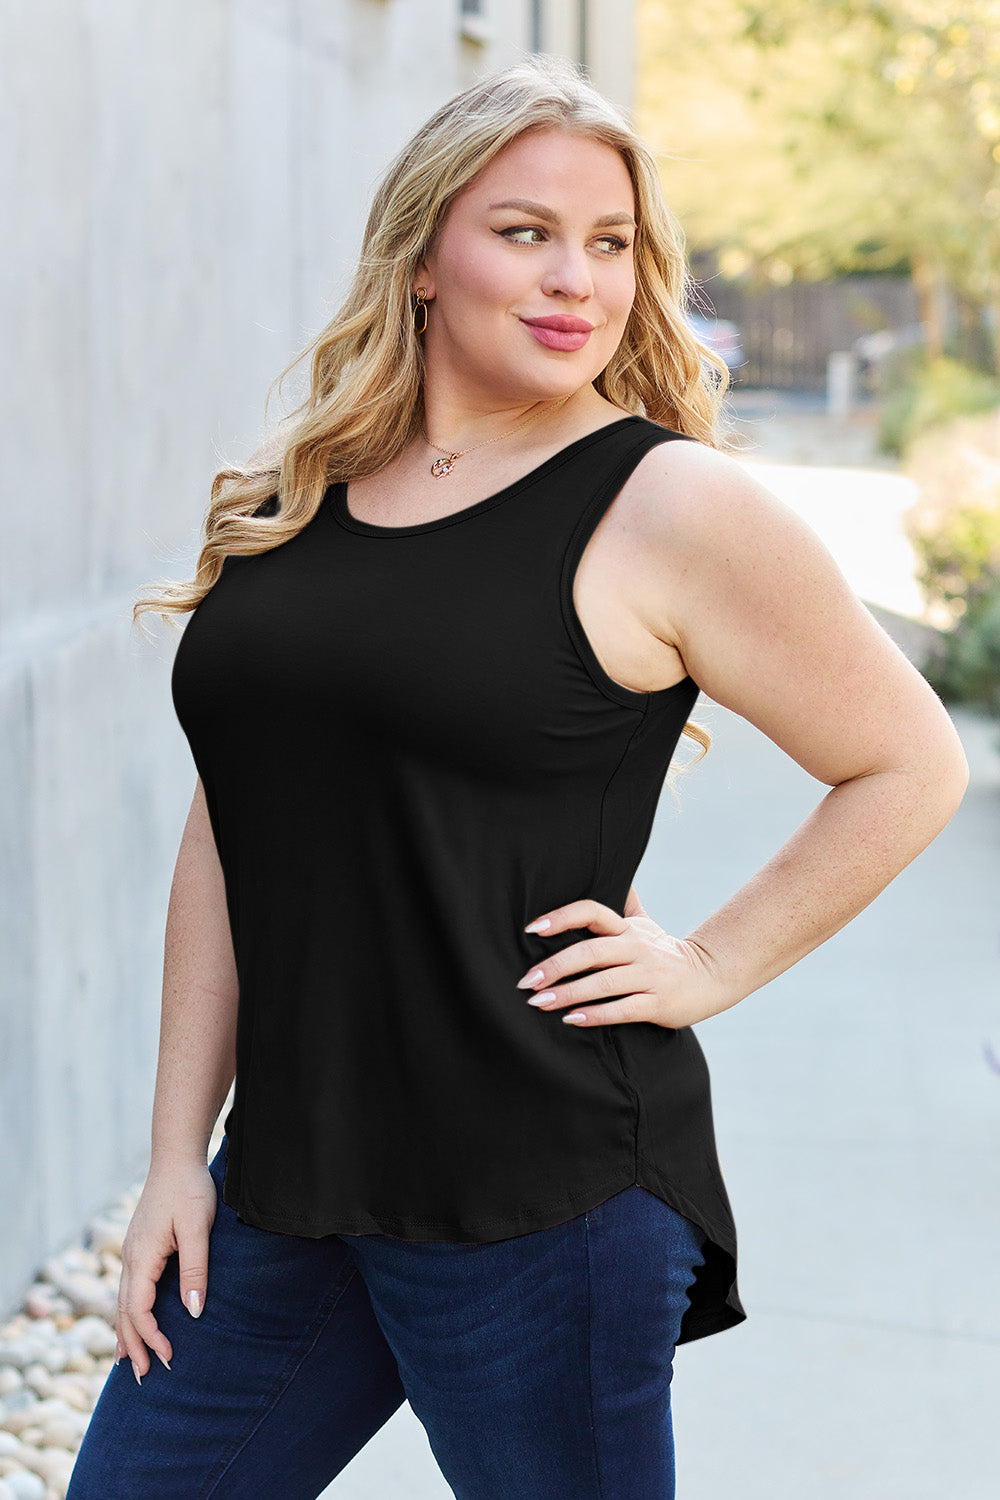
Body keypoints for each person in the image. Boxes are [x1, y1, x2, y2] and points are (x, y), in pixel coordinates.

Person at [67, 53, 969, 1500]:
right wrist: (178, 1154)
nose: (576, 281)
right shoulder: (304, 496)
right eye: (526, 232)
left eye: (611, 244)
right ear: (424, 258)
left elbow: (907, 762)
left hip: (537, 1197)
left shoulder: (669, 503)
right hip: (291, 1190)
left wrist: (712, 962)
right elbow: (237, 824)